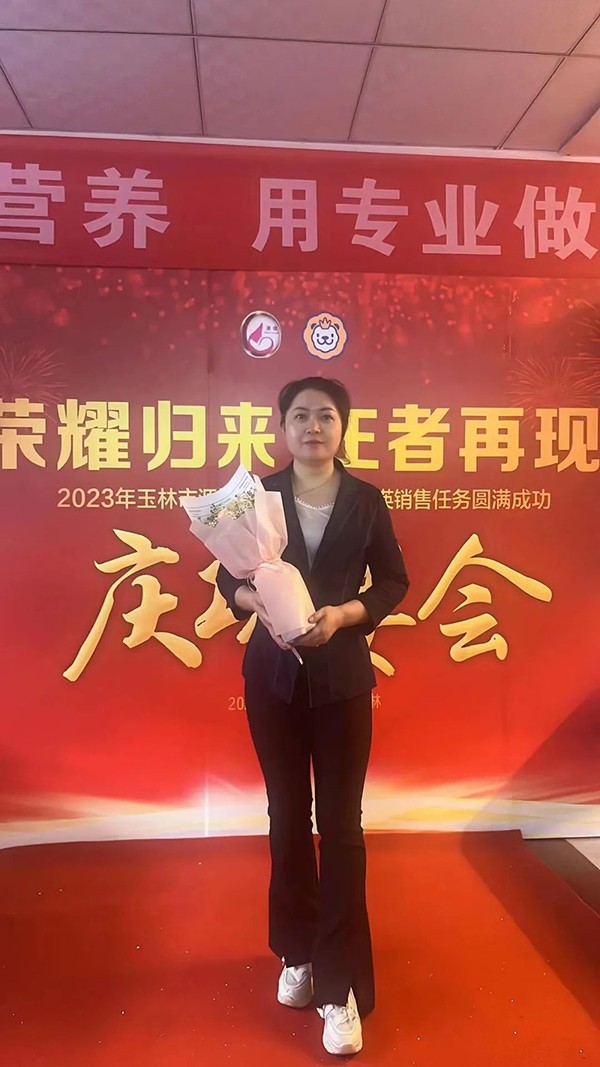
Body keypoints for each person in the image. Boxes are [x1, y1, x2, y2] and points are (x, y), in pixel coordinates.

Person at [216, 377, 409, 1056]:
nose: (313, 427)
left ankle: (339, 985)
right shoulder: (256, 496)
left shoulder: (366, 499)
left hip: (343, 679)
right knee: (287, 817)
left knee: (343, 826)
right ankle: (296, 952)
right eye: (300, 415)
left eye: (326, 416)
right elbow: (228, 578)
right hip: (271, 678)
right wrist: (253, 603)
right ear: (282, 427)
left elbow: (393, 581)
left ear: (343, 427)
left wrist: (347, 614)